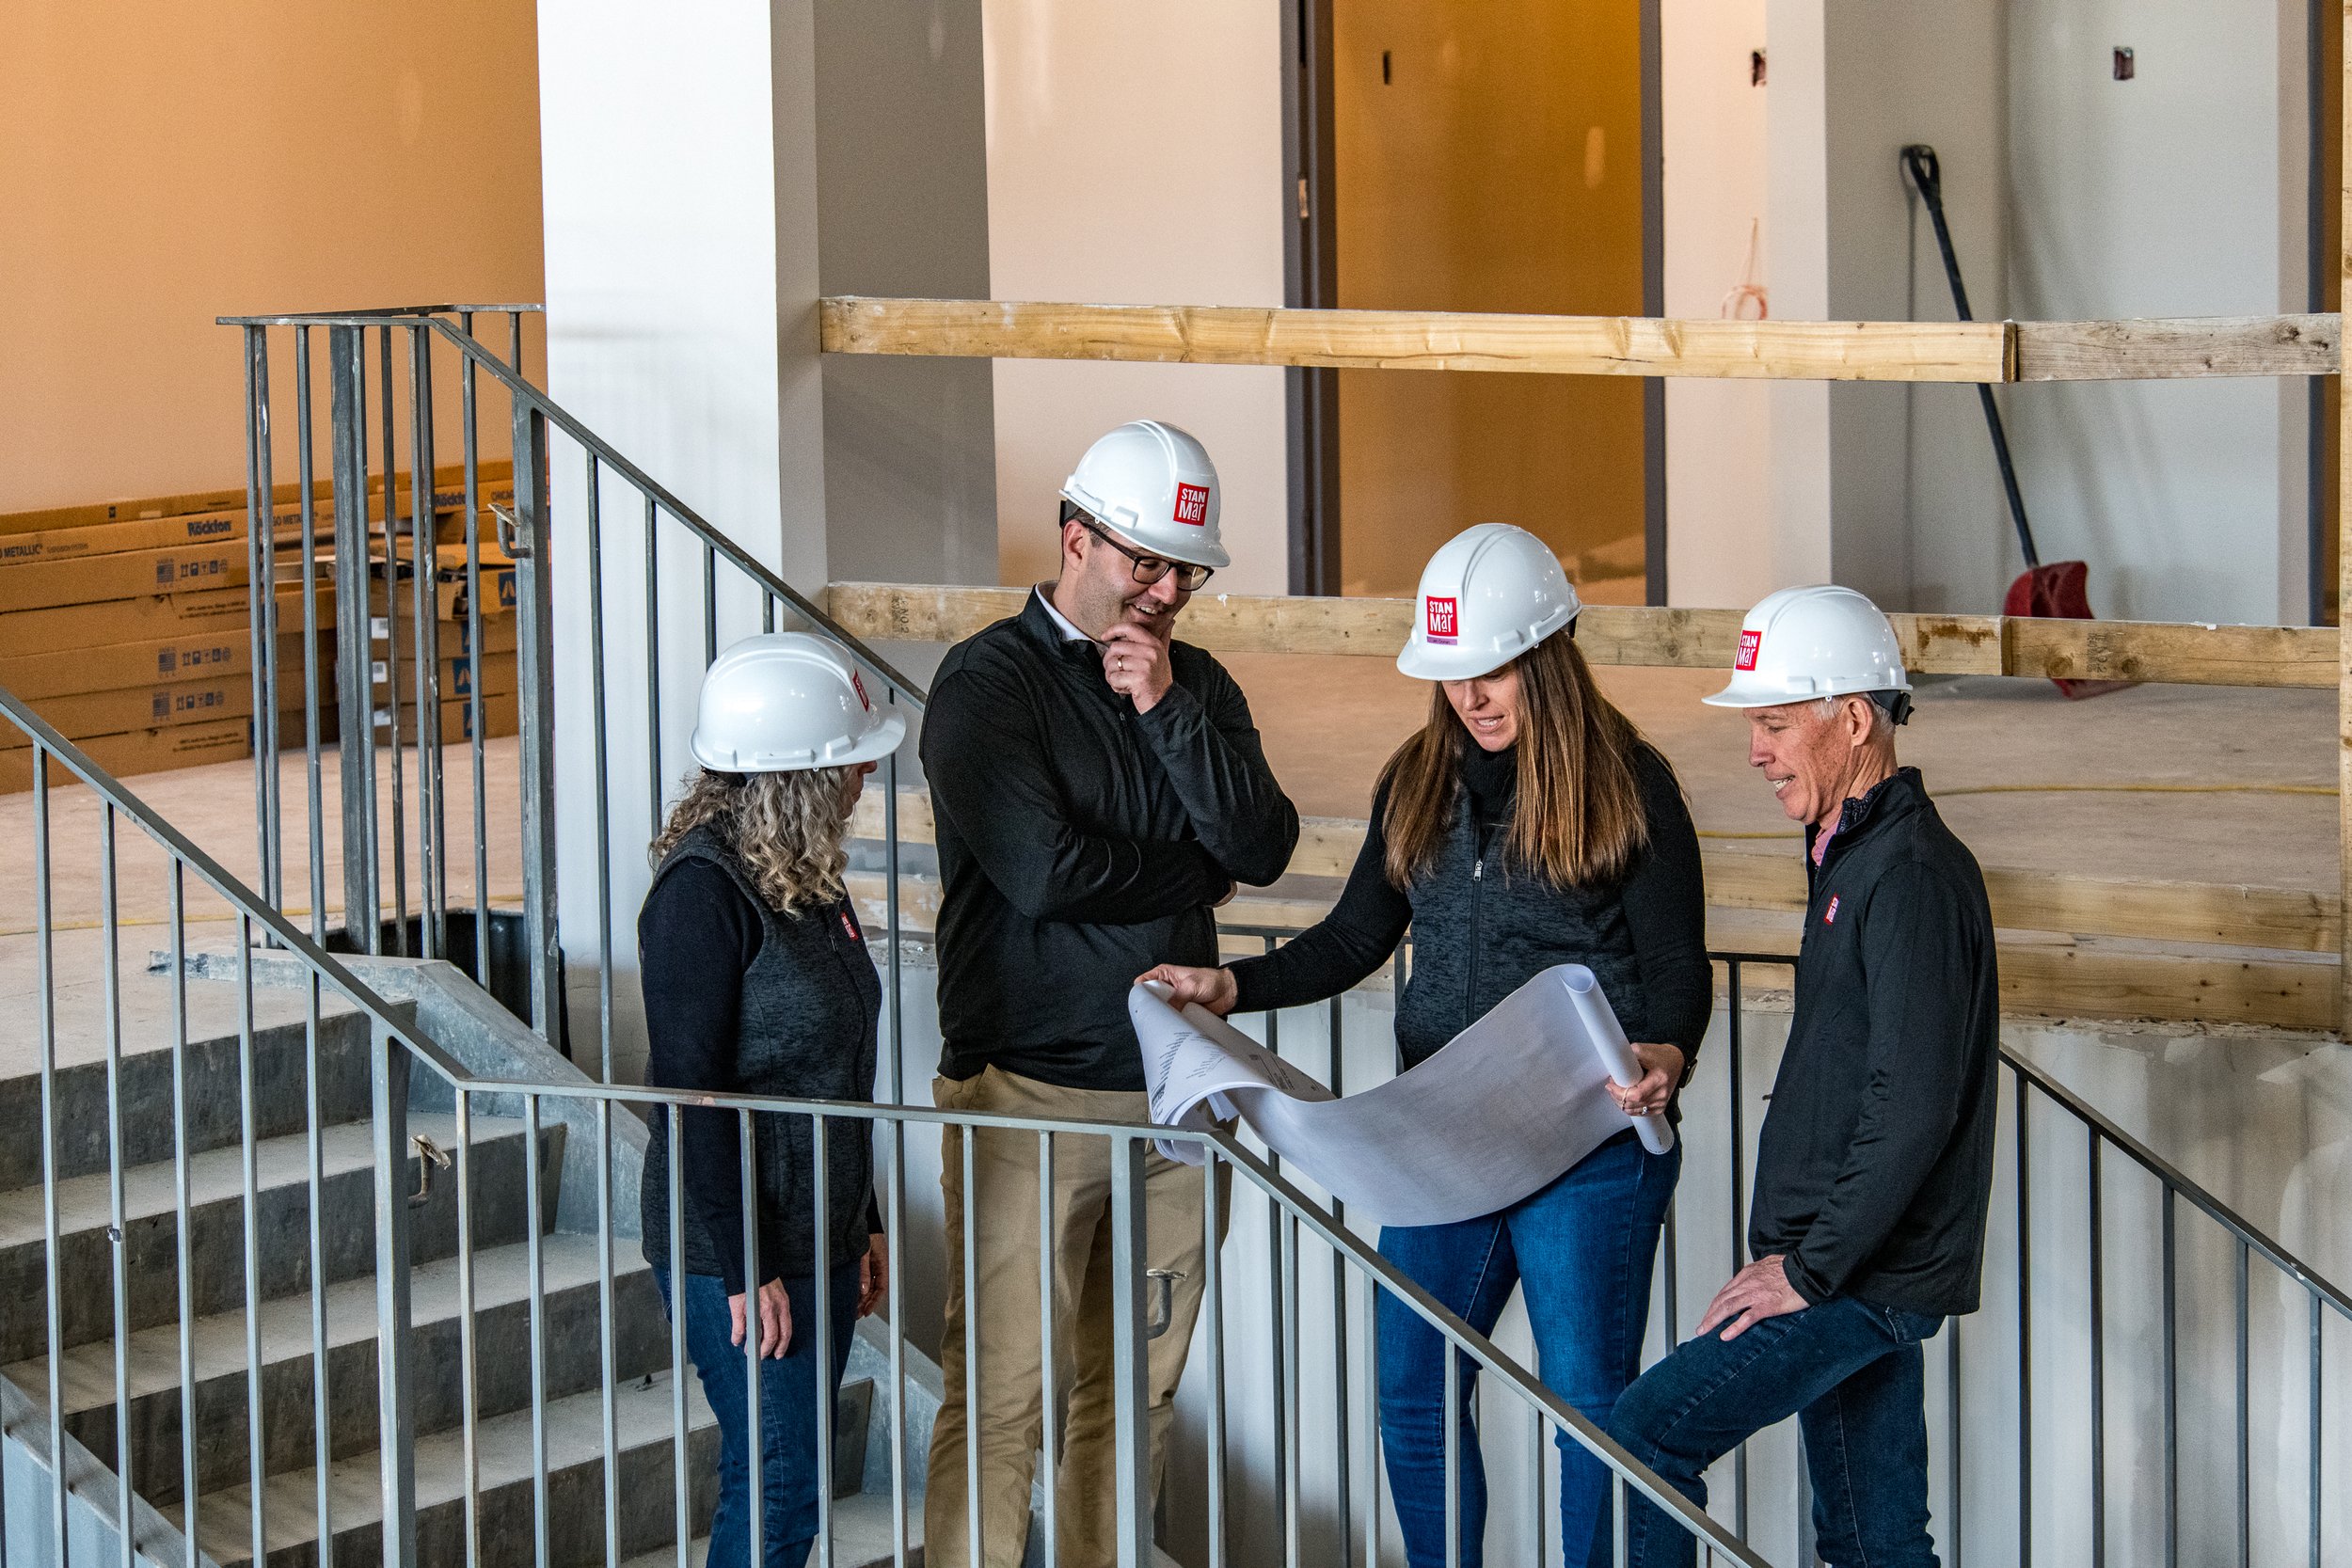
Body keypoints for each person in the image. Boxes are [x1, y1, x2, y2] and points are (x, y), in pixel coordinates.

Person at [1144, 522, 1711, 1568]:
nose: (1470, 697)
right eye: (1450, 675)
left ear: (1546, 656)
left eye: (1490, 670)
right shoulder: (1414, 778)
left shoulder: (1630, 783)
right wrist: (1232, 985)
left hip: (1588, 1146)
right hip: (1445, 1136)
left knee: (1586, 1404)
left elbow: (1677, 965)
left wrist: (1664, 1054)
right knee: (1411, 1395)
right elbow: (1357, 935)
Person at [919, 420, 1300, 1568]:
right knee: (1002, 1396)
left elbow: (1265, 842)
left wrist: (1165, 709)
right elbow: (1043, 874)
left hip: (1173, 1100)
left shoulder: (1197, 684)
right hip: (1026, 1092)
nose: (1169, 589)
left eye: (1187, 570)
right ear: (1075, 538)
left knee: (1132, 1395)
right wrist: (1189, 872)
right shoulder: (987, 681)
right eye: (1147, 562)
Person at [1605, 585, 1999, 1568]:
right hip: (1852, 1262)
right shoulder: (1850, 853)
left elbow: (1910, 1102)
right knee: (1871, 1540)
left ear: (1854, 718)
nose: (1755, 749)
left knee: (1647, 1432)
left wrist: (1809, 1267)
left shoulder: (1905, 873)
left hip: (1858, 1273)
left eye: (1775, 722)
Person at [638, 631, 905, 1568]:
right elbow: (690, 1090)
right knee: (779, 1487)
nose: (862, 783)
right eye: (851, 767)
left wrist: (861, 1220)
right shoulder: (699, 895)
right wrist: (750, 1262)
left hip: (819, 1233)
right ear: (800, 776)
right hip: (737, 1251)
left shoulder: (803, 877)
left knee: (789, 1480)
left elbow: (836, 1066)